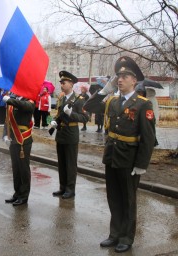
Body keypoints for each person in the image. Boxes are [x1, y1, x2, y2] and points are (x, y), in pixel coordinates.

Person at [84, 56, 156, 253]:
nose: (120, 79)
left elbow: (148, 138)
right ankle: (114, 234)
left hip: (130, 159)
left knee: (128, 200)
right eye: (118, 76)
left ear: (134, 80)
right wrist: (105, 90)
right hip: (112, 156)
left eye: (125, 76)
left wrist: (142, 164)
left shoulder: (142, 104)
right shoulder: (112, 102)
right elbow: (89, 108)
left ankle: (126, 237)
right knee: (114, 198)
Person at [50, 71, 89, 199]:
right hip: (61, 134)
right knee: (61, 163)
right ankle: (62, 187)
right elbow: (59, 114)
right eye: (61, 83)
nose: (61, 85)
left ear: (71, 84)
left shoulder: (79, 100)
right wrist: (54, 121)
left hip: (71, 134)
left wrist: (71, 114)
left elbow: (85, 118)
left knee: (70, 164)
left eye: (64, 82)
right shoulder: (61, 98)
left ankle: (70, 189)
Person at [2, 93, 35, 206]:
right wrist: (5, 135)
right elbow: (7, 120)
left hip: (23, 139)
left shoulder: (29, 100)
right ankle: (17, 193)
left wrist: (10, 100)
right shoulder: (13, 101)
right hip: (13, 139)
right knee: (15, 168)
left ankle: (24, 196)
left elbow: (26, 106)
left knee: (23, 168)